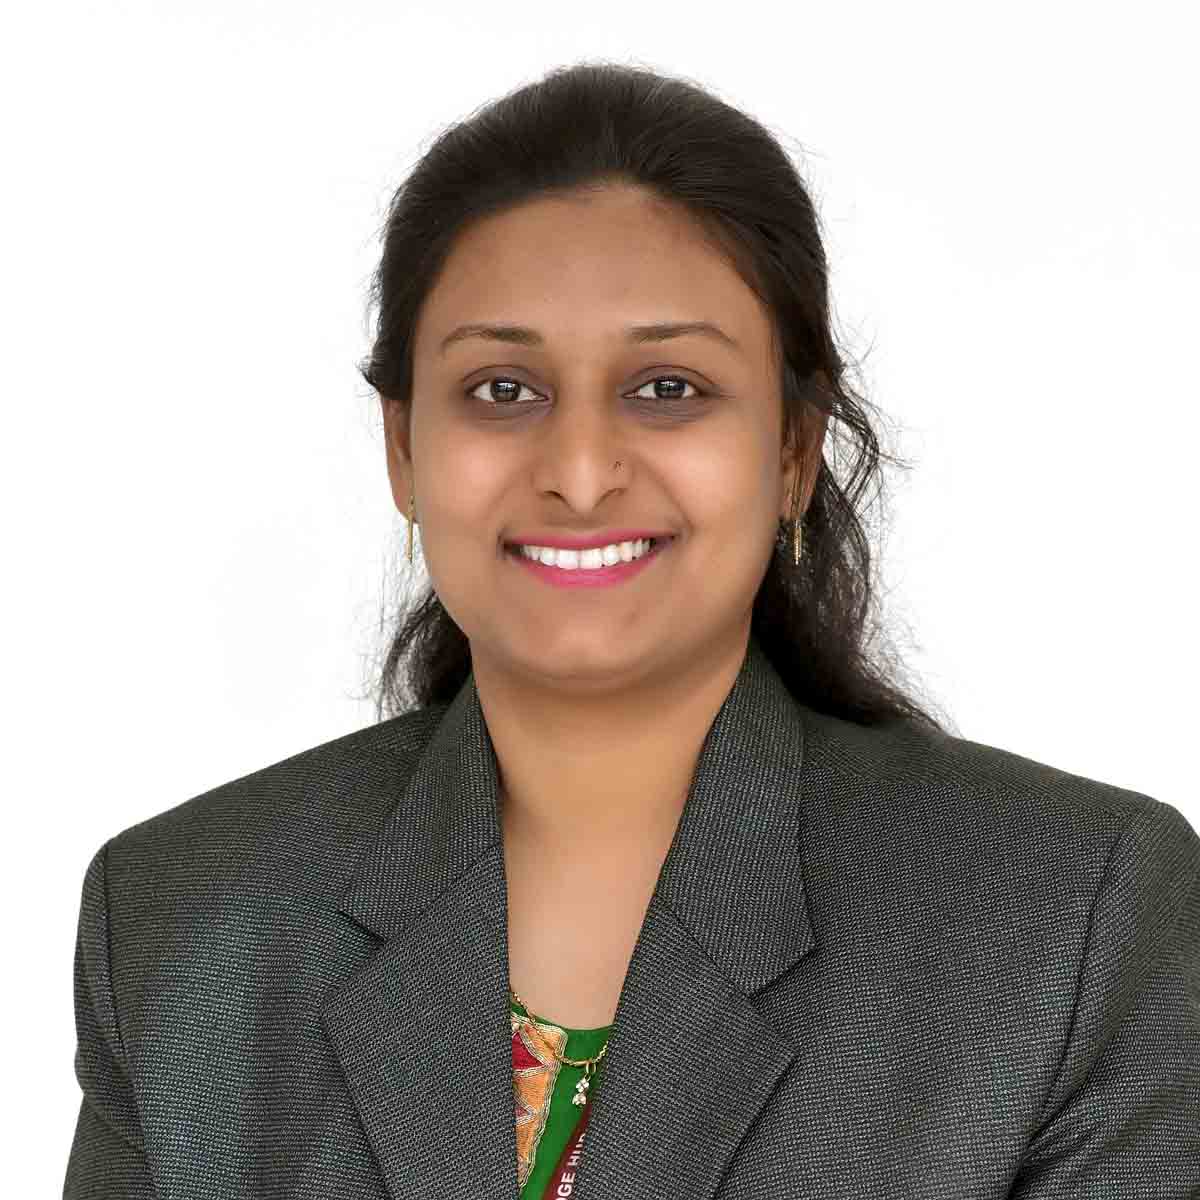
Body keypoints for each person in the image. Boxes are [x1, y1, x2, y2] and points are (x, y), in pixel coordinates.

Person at [64, 60, 1199, 1200]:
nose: (580, 472)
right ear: (404, 448)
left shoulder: (1071, 918)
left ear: (794, 449)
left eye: (667, 388)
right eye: (503, 389)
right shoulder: (178, 927)